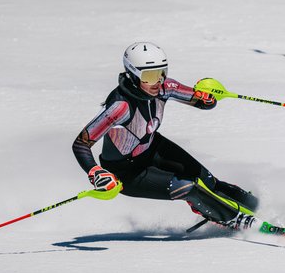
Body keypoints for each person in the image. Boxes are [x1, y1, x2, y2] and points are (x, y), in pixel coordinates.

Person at [72, 42, 259, 231]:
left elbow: (200, 101)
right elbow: (81, 144)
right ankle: (235, 220)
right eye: (150, 76)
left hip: (153, 147)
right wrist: (95, 172)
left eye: (162, 72)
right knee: (188, 188)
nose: (158, 81)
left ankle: (257, 205)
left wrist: (208, 97)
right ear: (132, 74)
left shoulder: (165, 87)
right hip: (126, 172)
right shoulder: (121, 107)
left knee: (208, 180)